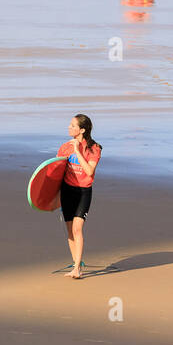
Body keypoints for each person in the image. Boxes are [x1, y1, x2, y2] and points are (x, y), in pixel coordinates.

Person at [57, 115, 102, 279]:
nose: (69, 127)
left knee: (77, 228)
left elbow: (89, 171)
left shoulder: (94, 148)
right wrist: (52, 196)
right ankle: (76, 263)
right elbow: (56, 172)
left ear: (82, 130)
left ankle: (77, 268)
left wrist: (77, 151)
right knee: (70, 230)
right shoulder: (64, 147)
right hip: (67, 191)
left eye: (72, 125)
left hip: (83, 192)